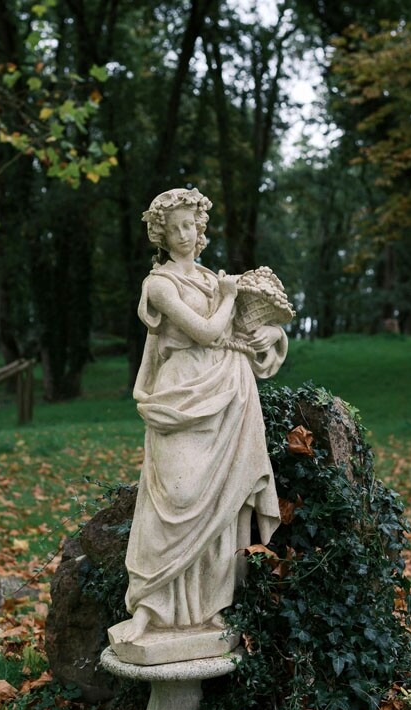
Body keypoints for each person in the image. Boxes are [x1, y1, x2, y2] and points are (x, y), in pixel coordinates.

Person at [122, 188, 288, 642]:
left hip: (230, 392)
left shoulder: (215, 281)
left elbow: (242, 335)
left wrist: (273, 333)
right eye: (173, 227)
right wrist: (230, 297)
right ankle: (150, 605)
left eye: (189, 225)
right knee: (173, 498)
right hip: (182, 392)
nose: (183, 234)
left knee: (224, 505)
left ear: (200, 230)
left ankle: (212, 608)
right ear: (161, 235)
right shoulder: (160, 285)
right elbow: (206, 332)